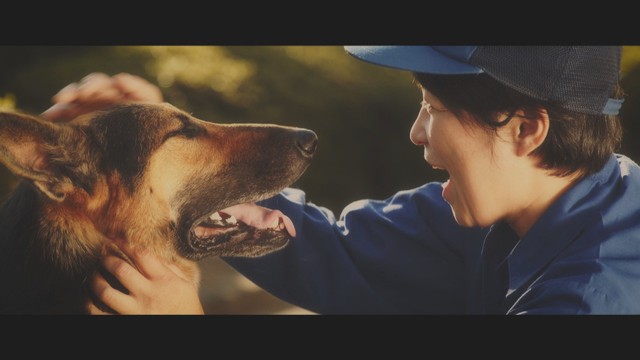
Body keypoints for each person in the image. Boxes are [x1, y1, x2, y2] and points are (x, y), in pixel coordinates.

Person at [42, 46, 640, 314]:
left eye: (432, 106)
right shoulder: (513, 212)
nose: (416, 132)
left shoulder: (593, 304)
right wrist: (169, 157)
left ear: (526, 129)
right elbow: (338, 249)